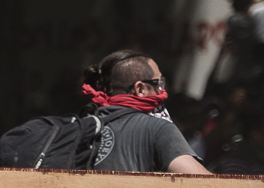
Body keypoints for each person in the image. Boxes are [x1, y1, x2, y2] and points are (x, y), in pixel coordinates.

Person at [77, 50, 211, 174]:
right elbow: (206, 185)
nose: (162, 91)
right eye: (159, 83)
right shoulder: (157, 128)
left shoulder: (82, 125)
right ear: (140, 89)